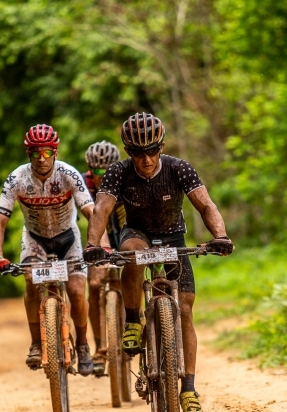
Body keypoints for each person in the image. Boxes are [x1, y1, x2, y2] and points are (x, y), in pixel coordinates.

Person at [83, 113, 234, 411]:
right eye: (138, 153)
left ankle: (188, 388)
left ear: (162, 147)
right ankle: (132, 321)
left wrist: (220, 235)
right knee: (132, 253)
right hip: (137, 233)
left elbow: (205, 204)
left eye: (152, 150)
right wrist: (92, 244)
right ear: (128, 151)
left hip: (173, 235)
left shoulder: (180, 168)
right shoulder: (118, 172)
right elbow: (101, 209)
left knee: (185, 310)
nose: (146, 159)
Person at [0, 124, 108, 376]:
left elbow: (91, 212)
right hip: (35, 240)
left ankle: (83, 345)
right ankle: (35, 343)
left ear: (56, 152)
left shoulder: (68, 174)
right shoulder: (17, 178)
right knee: (30, 280)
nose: (41, 159)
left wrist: (101, 244)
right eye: (35, 153)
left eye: (46, 153)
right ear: (28, 154)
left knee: (77, 291)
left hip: (68, 238)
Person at [81, 141, 126, 373]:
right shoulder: (82, 183)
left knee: (133, 277)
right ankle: (100, 348)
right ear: (90, 170)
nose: (102, 176)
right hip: (98, 238)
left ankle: (133, 322)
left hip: (125, 232)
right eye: (97, 171)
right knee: (95, 283)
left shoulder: (126, 179)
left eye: (107, 171)